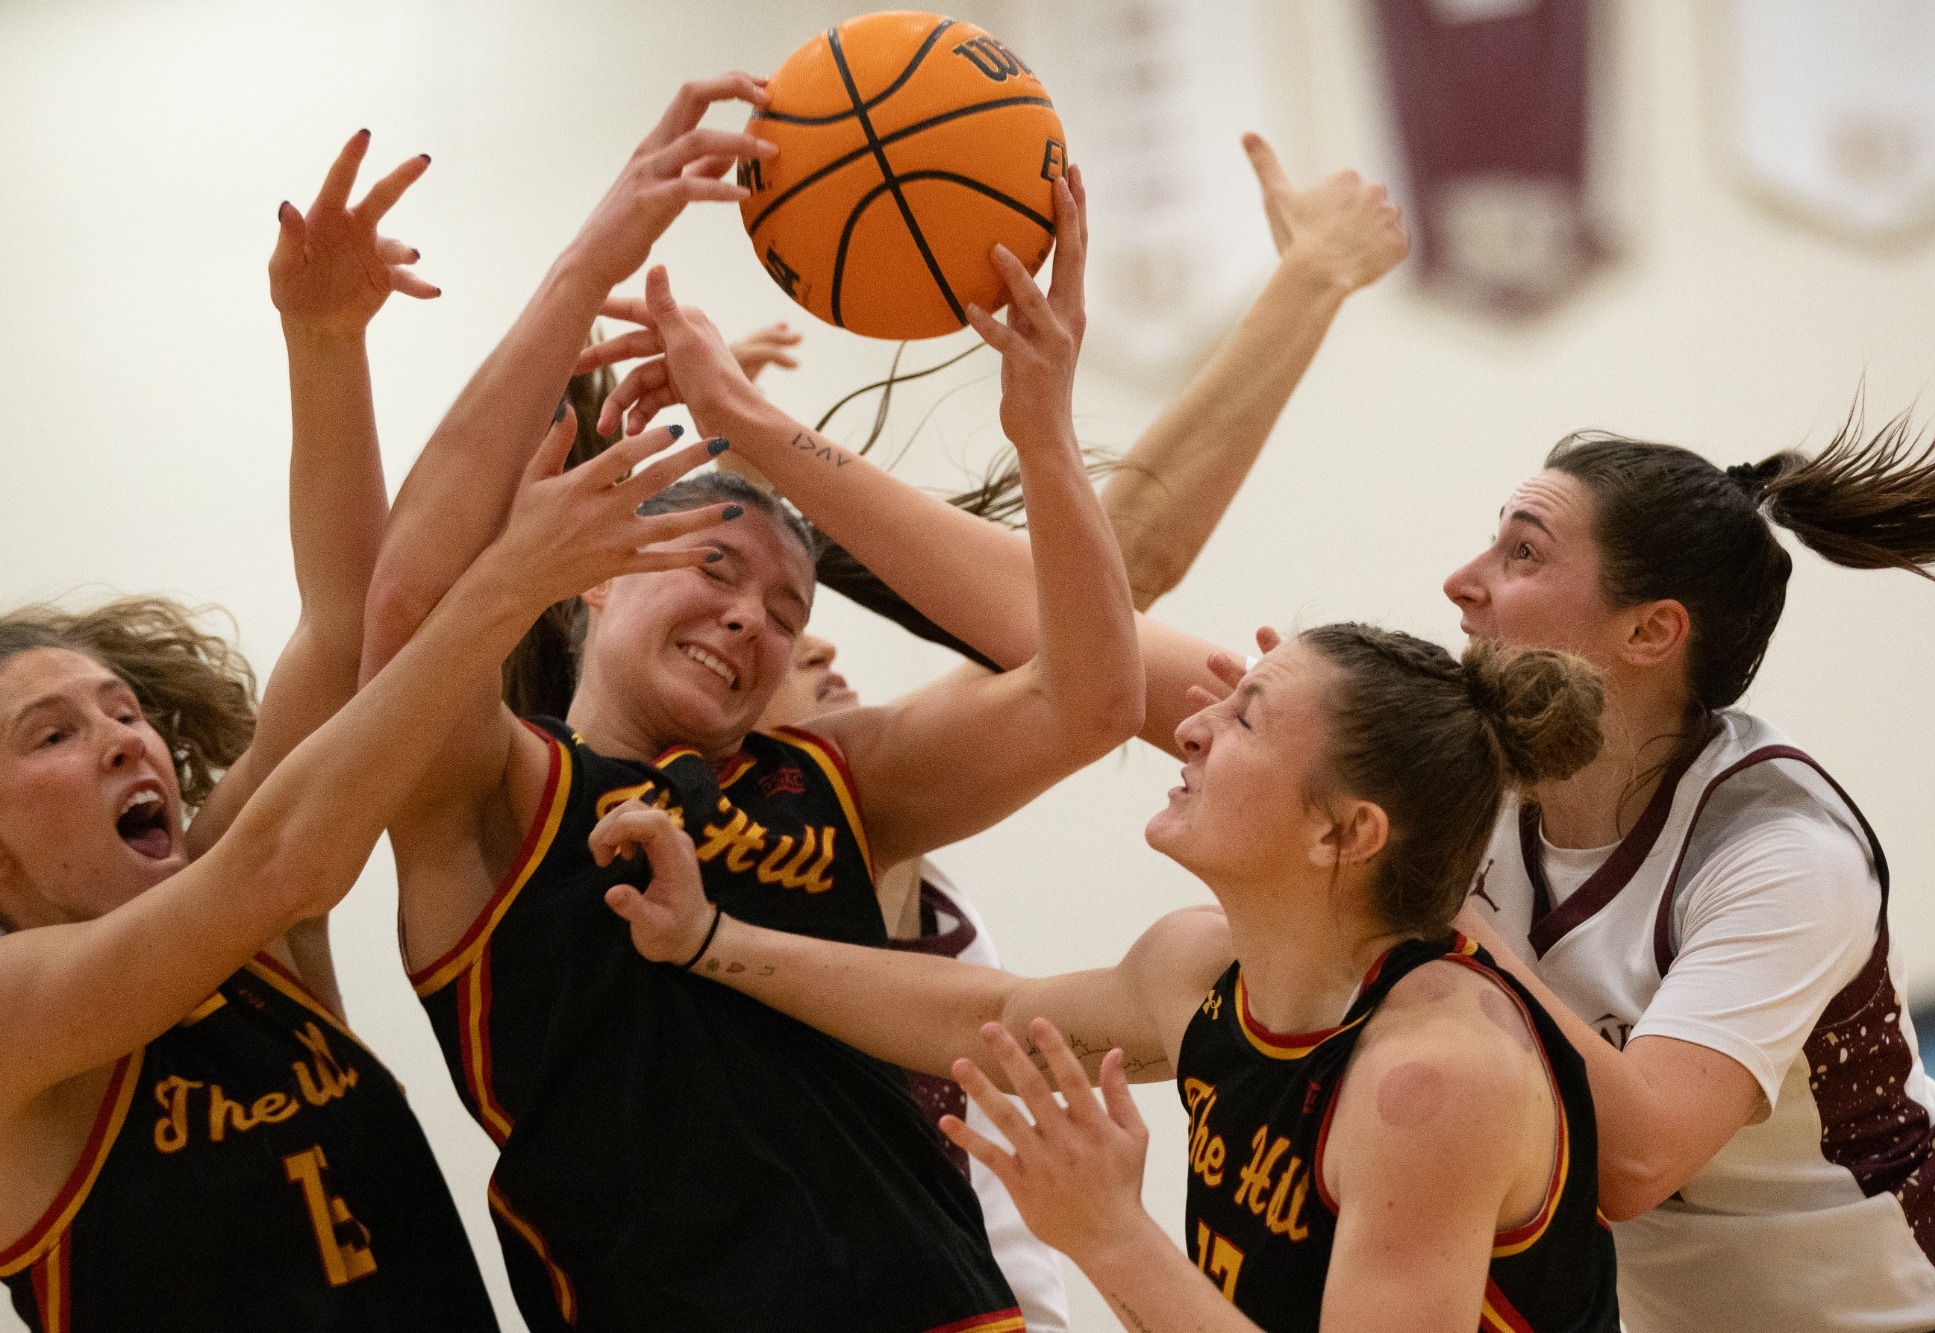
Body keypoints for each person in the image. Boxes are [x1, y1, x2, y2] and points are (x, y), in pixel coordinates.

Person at [633, 258, 1935, 1333]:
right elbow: (1076, 652)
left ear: (1652, 634)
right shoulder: (1416, 766)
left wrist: (1460, 919)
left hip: (1905, 1304)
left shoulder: (1768, 849)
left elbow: (1639, 1155)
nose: (1463, 576)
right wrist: (759, 433)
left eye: (1519, 550)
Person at [357, 76, 1144, 1331]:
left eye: (786, 613)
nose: (750, 619)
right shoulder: (497, 799)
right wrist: (597, 254)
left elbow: (1094, 700)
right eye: (715, 569)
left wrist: (1041, 433)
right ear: (596, 581)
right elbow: (402, 615)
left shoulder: (831, 782)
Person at [0, 133, 693, 1331]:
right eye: (51, 735)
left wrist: (324, 345)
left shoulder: (243, 927)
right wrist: (500, 592)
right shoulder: (19, 1016)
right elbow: (292, 860)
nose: (127, 741)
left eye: (124, 710)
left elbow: (340, 636)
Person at [592, 623, 1621, 1333]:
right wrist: (707, 939)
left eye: (1246, 718)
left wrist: (1110, 1235)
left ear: (1343, 831)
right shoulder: (1204, 966)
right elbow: (994, 1013)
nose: (1190, 726)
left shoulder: (1434, 1082)